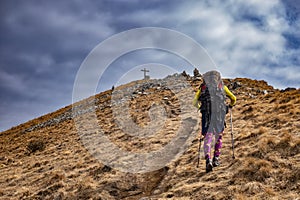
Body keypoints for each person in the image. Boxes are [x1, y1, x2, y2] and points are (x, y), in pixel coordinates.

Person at [193, 70, 236, 173]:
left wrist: (200, 107)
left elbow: (194, 102)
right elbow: (234, 98)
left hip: (207, 117)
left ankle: (208, 160)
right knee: (218, 137)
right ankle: (216, 158)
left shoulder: (203, 88)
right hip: (219, 117)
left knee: (207, 138)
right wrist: (229, 106)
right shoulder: (222, 87)